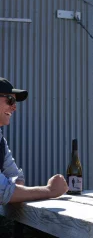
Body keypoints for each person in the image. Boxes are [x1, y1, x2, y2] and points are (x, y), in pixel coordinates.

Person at [0, 77, 68, 205]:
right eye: (10, 100)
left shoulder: (0, 140)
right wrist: (50, 190)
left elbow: (15, 178)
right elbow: (2, 192)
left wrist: (12, 190)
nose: (14, 107)